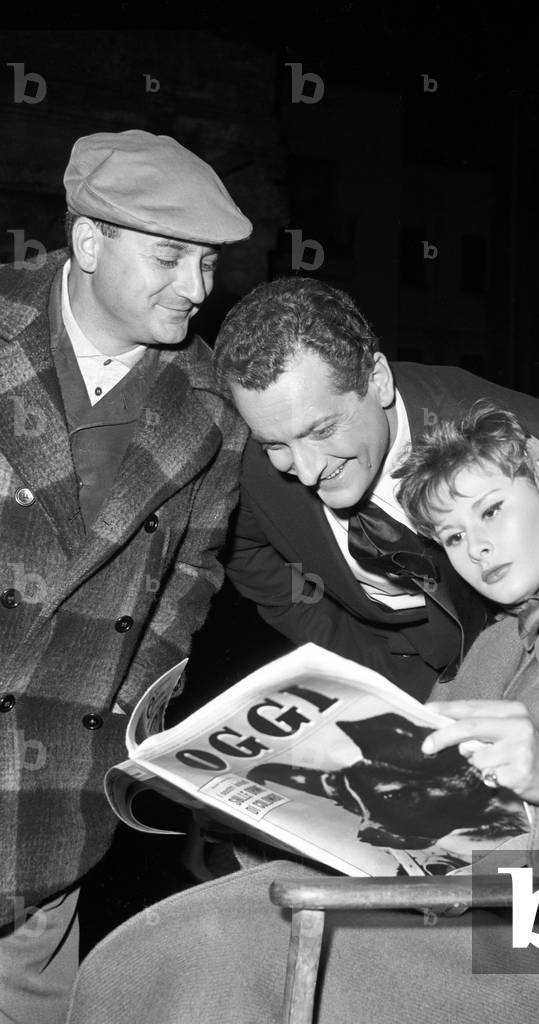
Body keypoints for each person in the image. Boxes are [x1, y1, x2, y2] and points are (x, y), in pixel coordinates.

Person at [66, 404, 539, 1024]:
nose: (474, 549)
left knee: (214, 944)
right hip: (464, 914)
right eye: (450, 536)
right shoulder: (495, 645)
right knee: (182, 934)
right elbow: (412, 808)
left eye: (490, 511)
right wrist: (272, 806)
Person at [0, 128, 251, 1024]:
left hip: (45, 816)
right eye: (170, 255)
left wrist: (117, 732)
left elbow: (187, 587)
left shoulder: (214, 410)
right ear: (91, 241)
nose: (196, 288)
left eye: (209, 262)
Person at [213, 278, 539, 701]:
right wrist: (372, 668)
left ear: (376, 381)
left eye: (322, 430)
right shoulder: (253, 467)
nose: (307, 471)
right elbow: (247, 554)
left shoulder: (526, 439)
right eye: (276, 444)